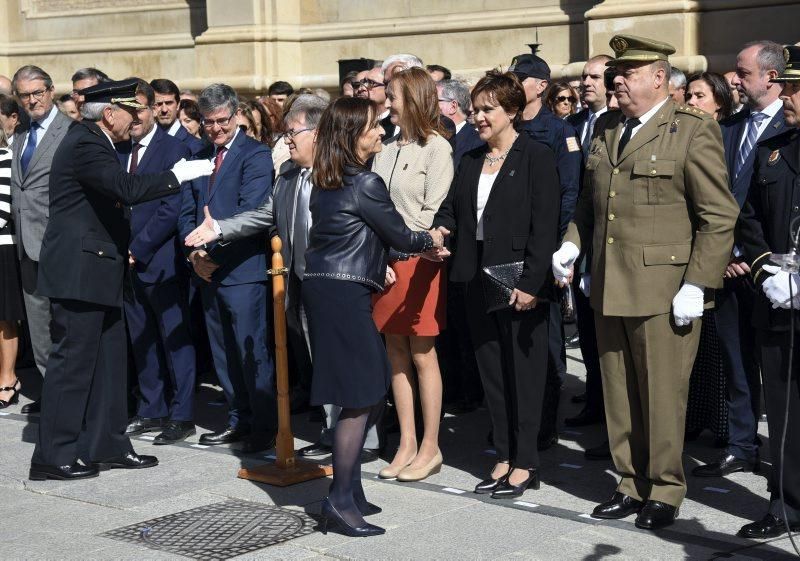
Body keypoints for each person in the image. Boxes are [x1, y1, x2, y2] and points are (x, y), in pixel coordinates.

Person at [552, 34, 739, 530]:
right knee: (618, 392)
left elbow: (718, 216)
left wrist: (698, 283)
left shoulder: (692, 130)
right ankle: (629, 481)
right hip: (610, 283)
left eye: (628, 74)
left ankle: (665, 488)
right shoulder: (608, 128)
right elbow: (588, 207)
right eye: (616, 74)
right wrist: (573, 243)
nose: (617, 81)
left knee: (660, 395)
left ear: (659, 78)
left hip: (665, 289)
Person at [29, 78, 212, 480]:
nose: (138, 118)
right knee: (73, 364)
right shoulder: (86, 142)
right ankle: (52, 455)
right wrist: (175, 176)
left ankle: (108, 445)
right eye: (132, 110)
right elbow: (125, 189)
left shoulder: (101, 142)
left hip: (100, 269)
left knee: (110, 364)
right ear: (109, 113)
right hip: (79, 270)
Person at [303, 96, 442, 536]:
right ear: (351, 136)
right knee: (362, 392)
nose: (380, 132)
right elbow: (398, 233)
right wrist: (431, 238)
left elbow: (367, 237)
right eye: (371, 128)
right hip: (343, 293)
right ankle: (339, 501)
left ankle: (353, 492)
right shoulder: (364, 182)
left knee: (365, 383)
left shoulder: (327, 178)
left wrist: (401, 248)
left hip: (330, 288)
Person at [432, 70, 560, 498]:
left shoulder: (536, 156)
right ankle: (503, 455)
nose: (479, 117)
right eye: (475, 109)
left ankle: (526, 461)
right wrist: (440, 231)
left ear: (511, 111)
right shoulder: (469, 160)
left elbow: (545, 226)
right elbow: (451, 211)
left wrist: (532, 281)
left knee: (524, 375)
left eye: (487, 109)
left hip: (519, 281)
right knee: (493, 374)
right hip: (473, 277)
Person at [693, 40, 788, 479]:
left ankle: (786, 455)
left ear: (770, 76)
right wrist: (727, 252)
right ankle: (741, 444)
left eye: (743, 73)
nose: (735, 80)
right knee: (736, 361)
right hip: (727, 264)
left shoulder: (789, 129)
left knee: (780, 370)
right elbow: (712, 197)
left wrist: (755, 256)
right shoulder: (728, 129)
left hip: (776, 270)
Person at [178, 83, 278, 454]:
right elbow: (186, 210)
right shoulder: (199, 156)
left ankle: (264, 426)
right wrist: (194, 256)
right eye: (208, 122)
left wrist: (213, 253)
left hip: (241, 269)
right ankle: (238, 419)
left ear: (236, 115)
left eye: (222, 120)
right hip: (205, 270)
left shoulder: (255, 155)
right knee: (222, 353)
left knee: (250, 351)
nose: (216, 128)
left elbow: (251, 211)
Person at [371, 67, 453, 482]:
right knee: (395, 352)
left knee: (422, 353)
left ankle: (430, 446)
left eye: (393, 96)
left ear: (414, 99)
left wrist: (402, 242)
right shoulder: (384, 148)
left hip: (419, 261)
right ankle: (405, 442)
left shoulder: (437, 148)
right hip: (384, 263)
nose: (387, 103)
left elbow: (433, 210)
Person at [735, 44, 800, 539]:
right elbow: (750, 218)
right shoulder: (773, 147)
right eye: (789, 86)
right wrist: (766, 274)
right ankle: (785, 504)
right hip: (782, 300)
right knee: (781, 409)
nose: (789, 97)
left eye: (798, 89)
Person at [117, 80, 197, 445]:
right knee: (142, 337)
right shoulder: (120, 150)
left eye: (140, 110)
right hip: (126, 263)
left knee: (173, 338)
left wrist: (139, 246)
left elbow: (171, 207)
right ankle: (152, 408)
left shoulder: (174, 149)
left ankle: (181, 414)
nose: (134, 117)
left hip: (160, 260)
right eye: (128, 110)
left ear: (152, 110)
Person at [509, 51, 582, 450]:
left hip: (545, 246)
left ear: (540, 86)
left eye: (521, 79)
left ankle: (545, 422)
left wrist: (560, 248)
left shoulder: (558, 130)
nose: (514, 85)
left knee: (548, 341)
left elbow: (569, 191)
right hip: (511, 246)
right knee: (513, 340)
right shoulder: (508, 125)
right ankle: (516, 419)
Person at [10, 66, 73, 415]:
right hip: (25, 246)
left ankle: (73, 401)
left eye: (38, 92)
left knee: (65, 328)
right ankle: (53, 396)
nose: (32, 100)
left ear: (50, 91)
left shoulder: (70, 132)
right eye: (24, 95)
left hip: (57, 247)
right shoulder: (21, 133)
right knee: (39, 330)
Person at [682, 70, 736, 445]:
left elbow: (726, 201)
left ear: (719, 101)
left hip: (729, 255)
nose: (692, 102)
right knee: (699, 352)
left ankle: (724, 426)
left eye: (700, 96)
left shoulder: (723, 133)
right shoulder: (687, 132)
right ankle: (696, 417)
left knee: (723, 352)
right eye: (689, 95)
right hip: (692, 250)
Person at [564, 54, 613, 430]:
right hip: (578, 237)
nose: (585, 83)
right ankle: (595, 399)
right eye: (583, 76)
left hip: (607, 239)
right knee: (587, 327)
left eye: (594, 76)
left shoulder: (612, 125)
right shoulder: (575, 123)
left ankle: (606, 406)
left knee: (606, 336)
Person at [0, 128, 24, 409]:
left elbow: (4, 209)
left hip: (3, 246)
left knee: (4, 318)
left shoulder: (6, 158)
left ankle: (8, 379)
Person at [437, 79, 483, 171]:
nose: (427, 106)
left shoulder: (477, 144)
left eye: (434, 100)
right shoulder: (429, 137)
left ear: (453, 106)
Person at [150, 78, 205, 155]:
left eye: (169, 103)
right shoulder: (142, 140)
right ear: (150, 106)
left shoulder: (194, 146)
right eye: (158, 104)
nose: (164, 110)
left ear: (178, 105)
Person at [354, 65, 391, 137]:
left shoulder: (397, 124)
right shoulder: (354, 120)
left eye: (371, 83)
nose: (361, 88)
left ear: (387, 88)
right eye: (363, 82)